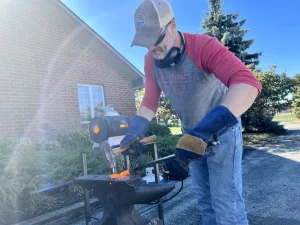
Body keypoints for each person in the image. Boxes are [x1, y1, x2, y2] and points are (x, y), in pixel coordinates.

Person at [120, 0, 262, 224]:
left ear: (172, 25)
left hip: (222, 135)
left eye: (156, 39)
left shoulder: (204, 46)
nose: (151, 49)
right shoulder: (150, 60)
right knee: (205, 205)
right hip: (190, 138)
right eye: (145, 43)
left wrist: (204, 130)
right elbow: (149, 101)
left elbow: (247, 84)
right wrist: (136, 129)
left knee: (227, 209)